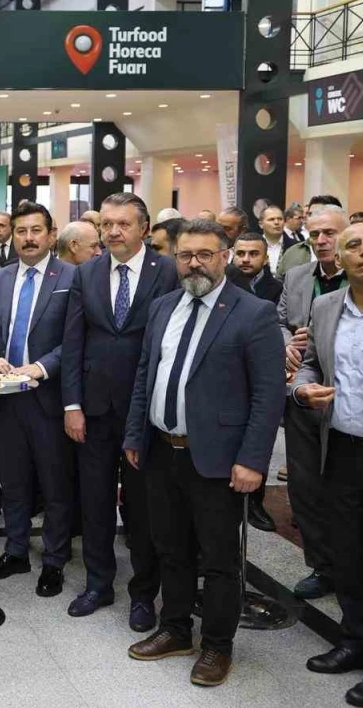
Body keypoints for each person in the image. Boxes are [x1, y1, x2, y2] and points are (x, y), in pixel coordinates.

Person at [123, 218, 283, 687]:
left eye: (205, 254)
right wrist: (134, 435)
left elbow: (268, 395)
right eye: (185, 255)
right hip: (161, 451)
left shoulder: (253, 313)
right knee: (169, 548)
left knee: (218, 560)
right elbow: (145, 375)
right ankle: (175, 629)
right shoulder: (163, 307)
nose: (194, 263)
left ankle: (217, 645)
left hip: (218, 459)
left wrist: (253, 460)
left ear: (225, 257)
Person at [61, 193, 179, 630]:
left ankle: (143, 593)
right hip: (93, 409)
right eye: (107, 224)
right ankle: (98, 583)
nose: (113, 232)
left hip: (145, 410)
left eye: (123, 224)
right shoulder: (87, 272)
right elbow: (73, 341)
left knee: (144, 506)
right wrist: (72, 404)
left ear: (144, 228)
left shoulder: (169, 271)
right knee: (94, 501)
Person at [291, 222, 363, 708]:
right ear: (337, 259)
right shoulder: (326, 306)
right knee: (348, 554)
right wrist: (302, 388)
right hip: (341, 449)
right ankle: (355, 640)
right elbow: (310, 362)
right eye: (354, 245)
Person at [0, 202, 76, 598]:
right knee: (13, 481)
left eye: (36, 230)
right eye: (21, 231)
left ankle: (54, 560)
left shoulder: (72, 277)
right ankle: (16, 550)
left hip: (49, 398)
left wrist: (39, 367)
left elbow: (76, 338)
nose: (28, 238)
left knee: (55, 484)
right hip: (6, 399)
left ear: (51, 235)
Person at [278, 204, 348, 600]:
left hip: (353, 400)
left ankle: (357, 568)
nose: (321, 241)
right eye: (314, 234)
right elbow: (278, 321)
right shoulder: (297, 276)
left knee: (349, 488)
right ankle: (322, 567)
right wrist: (287, 343)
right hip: (303, 394)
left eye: (329, 233)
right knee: (305, 487)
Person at [279, 195, 345, 277]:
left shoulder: (357, 273)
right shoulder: (293, 253)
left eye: (321, 213)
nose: (320, 241)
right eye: (310, 214)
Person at [229, 232, 284, 305]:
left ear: (265, 259)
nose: (246, 260)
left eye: (254, 254)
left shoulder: (278, 290)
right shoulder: (220, 283)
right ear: (233, 256)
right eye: (240, 254)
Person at [258, 205, 285, 274]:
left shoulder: (295, 246)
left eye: (280, 219)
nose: (277, 222)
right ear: (261, 224)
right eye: (271, 219)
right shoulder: (253, 245)